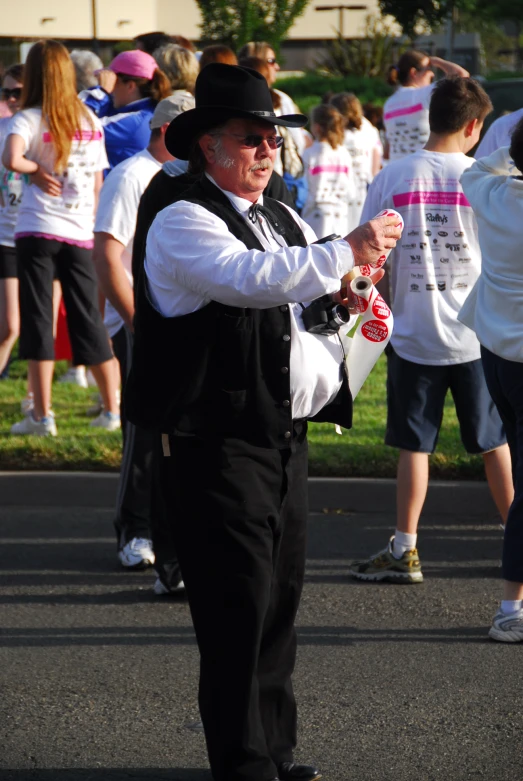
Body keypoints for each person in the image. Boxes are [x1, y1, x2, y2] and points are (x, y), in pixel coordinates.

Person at [126, 62, 401, 781]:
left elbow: (296, 300)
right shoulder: (181, 214)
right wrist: (347, 249)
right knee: (235, 607)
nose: (267, 150)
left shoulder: (277, 211)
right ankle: (242, 762)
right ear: (207, 145)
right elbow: (252, 282)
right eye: (251, 138)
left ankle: (274, 751)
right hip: (214, 440)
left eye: (272, 138)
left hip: (280, 435)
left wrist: (343, 298)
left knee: (278, 601)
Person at [350, 77, 514, 584]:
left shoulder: (392, 174)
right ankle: (517, 540)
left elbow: (369, 252)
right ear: (472, 125)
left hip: (414, 331)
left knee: (414, 446)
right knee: (495, 445)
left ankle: (406, 547)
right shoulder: (486, 177)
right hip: (476, 334)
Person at [93, 94, 194, 578]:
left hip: (179, 323)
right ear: (166, 132)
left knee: (179, 433)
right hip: (142, 325)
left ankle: (173, 530)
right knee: (145, 432)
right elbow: (107, 258)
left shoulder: (184, 177)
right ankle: (134, 530)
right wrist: (139, 326)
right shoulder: (131, 175)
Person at [2, 39, 118, 436]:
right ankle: (112, 409)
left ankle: (41, 416)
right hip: (81, 231)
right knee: (89, 319)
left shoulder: (29, 117)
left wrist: (33, 169)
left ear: (33, 74)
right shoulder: (88, 118)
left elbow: (11, 158)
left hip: (37, 229)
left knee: (38, 319)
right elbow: (100, 183)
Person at [458, 120, 523, 641]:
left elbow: (482, 162)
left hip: (496, 352)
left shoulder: (493, 191)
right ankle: (510, 607)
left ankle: (513, 606)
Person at [81, 50, 172, 170]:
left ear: (130, 86)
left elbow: (71, 125)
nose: (111, 90)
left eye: (113, 83)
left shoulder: (132, 122)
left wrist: (101, 92)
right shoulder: (149, 112)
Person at [383, 50, 469, 162]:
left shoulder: (388, 103)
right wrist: (437, 61)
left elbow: (387, 147)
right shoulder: (424, 94)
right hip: (423, 166)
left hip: (397, 169)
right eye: (429, 68)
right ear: (414, 73)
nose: (432, 74)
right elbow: (462, 75)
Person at [238, 41, 311, 156]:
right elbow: (298, 142)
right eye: (271, 61)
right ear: (257, 62)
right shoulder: (281, 98)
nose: (277, 67)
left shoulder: (280, 98)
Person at [0, 64, 24, 378]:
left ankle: (37, 403)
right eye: (6, 93)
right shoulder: (3, 129)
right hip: (7, 238)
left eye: (17, 91)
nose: (11, 99)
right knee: (10, 328)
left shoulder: (46, 126)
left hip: (45, 233)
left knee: (36, 327)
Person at [330, 92, 382, 229]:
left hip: (339, 187)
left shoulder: (336, 130)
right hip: (363, 186)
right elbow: (377, 155)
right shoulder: (368, 127)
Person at [300, 104, 354, 237]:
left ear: (316, 127)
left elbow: (304, 187)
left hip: (315, 216)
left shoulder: (309, 154)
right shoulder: (344, 153)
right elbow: (351, 191)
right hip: (341, 214)